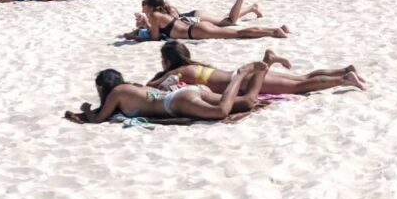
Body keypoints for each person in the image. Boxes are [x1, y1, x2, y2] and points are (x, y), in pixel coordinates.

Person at [71, 62, 270, 124]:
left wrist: (86, 109)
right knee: (247, 102)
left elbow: (98, 119)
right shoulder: (132, 87)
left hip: (177, 102)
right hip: (186, 92)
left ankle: (240, 75)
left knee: (220, 111)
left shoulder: (117, 92)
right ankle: (262, 69)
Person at [147, 41, 367, 94]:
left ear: (168, 61)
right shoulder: (193, 65)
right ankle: (344, 70)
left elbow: (151, 86)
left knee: (300, 86)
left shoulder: (180, 72)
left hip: (245, 82)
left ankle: (344, 79)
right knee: (302, 77)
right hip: (242, 76)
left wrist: (161, 75)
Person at [135, 0, 287, 41]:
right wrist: (146, 25)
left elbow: (154, 38)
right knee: (234, 29)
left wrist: (141, 32)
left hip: (195, 32)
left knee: (237, 33)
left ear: (149, 6)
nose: (142, 6)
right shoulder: (161, 14)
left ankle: (274, 31)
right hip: (195, 26)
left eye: (143, 3)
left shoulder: (155, 15)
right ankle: (275, 29)